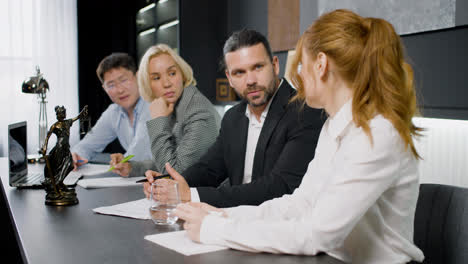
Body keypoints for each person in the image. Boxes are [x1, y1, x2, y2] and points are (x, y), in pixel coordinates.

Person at [174, 9, 425, 264]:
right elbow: (300, 204)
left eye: (302, 65)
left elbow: (316, 234)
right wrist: (224, 217)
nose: (299, 75)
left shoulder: (378, 133)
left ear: (321, 64)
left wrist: (214, 229)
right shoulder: (333, 126)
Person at [143, 29, 324, 207]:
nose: (250, 80)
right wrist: (167, 183)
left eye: (258, 67)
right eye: (239, 72)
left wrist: (190, 194)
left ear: (275, 65)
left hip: (277, 227)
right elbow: (209, 169)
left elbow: (279, 187)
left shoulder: (305, 112)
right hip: (232, 223)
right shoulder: (233, 118)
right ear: (229, 78)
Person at [110, 44, 221, 176]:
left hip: (209, 194)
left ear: (183, 75)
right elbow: (169, 160)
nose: (167, 83)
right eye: (156, 78)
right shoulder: (175, 106)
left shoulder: (197, 112)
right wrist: (132, 167)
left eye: (172, 73)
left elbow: (174, 172)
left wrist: (158, 121)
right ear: (148, 84)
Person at [71, 53, 152, 169]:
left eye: (123, 80)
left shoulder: (152, 104)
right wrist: (75, 156)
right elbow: (87, 145)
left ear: (138, 76)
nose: (120, 90)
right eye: (111, 85)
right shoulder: (114, 112)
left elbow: (139, 151)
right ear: (104, 89)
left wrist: (121, 162)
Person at [41, 105, 88, 197]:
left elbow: (78, 117)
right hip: (59, 148)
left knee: (69, 165)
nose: (62, 115)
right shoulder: (55, 126)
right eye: (60, 113)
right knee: (59, 167)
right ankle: (58, 184)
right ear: (57, 114)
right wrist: (45, 147)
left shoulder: (67, 122)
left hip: (66, 148)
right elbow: (47, 137)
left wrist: (83, 111)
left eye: (63, 113)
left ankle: (60, 182)